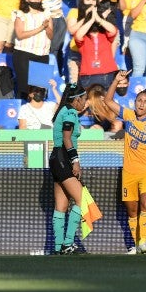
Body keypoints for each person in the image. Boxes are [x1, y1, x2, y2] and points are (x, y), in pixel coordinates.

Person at [105, 70, 146, 254]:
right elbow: (108, 101)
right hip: (129, 172)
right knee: (132, 211)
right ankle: (135, 245)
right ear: (135, 103)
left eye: (145, 102)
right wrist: (115, 81)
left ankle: (143, 242)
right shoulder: (128, 115)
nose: (141, 104)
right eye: (139, 101)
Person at [48, 83, 87, 255]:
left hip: (56, 158)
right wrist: (75, 161)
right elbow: (67, 138)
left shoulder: (62, 111)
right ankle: (68, 243)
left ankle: (58, 247)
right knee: (82, 200)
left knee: (61, 206)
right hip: (64, 158)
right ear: (77, 99)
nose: (85, 103)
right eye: (84, 99)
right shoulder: (70, 112)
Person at [73, 0, 119, 90]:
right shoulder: (83, 33)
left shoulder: (104, 32)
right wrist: (90, 19)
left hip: (108, 73)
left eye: (94, 0)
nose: (91, 2)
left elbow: (113, 31)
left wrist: (98, 19)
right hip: (89, 75)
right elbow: (78, 36)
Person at [12, 0, 53, 100]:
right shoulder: (21, 14)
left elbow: (51, 35)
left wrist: (46, 27)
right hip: (24, 54)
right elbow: (20, 34)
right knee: (26, 89)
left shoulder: (46, 14)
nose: (36, 0)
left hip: (42, 54)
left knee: (39, 91)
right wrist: (41, 28)